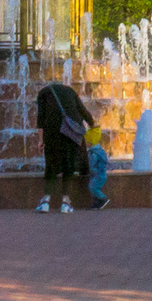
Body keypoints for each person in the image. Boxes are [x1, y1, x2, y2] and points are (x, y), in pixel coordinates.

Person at [35, 80, 93, 214]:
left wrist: (41, 141)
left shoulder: (43, 93)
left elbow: (41, 119)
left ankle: (45, 202)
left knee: (51, 166)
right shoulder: (70, 91)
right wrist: (93, 124)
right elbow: (83, 111)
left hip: (52, 132)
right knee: (69, 166)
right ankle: (65, 203)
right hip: (71, 132)